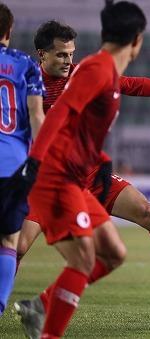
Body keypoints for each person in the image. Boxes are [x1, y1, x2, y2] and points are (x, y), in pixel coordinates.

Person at [12, 18, 150, 338]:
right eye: (61, 55)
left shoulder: (81, 74)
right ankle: (28, 307)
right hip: (47, 180)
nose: (68, 61)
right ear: (42, 55)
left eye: (71, 54)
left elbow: (131, 84)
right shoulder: (28, 84)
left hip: (89, 173)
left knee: (147, 212)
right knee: (19, 247)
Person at [0, 2, 45, 318]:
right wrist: (39, 161)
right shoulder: (25, 65)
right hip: (14, 164)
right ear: (9, 31)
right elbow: (37, 117)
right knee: (8, 238)